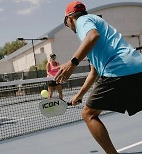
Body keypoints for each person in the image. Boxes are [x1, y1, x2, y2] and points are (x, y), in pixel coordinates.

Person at [54, 1, 142, 154]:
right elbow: (94, 72)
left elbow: (93, 35)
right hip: (138, 67)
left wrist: (72, 62)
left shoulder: (82, 21)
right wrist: (79, 95)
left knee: (88, 114)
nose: (69, 26)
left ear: (69, 18)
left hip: (117, 69)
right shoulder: (96, 33)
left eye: (66, 23)